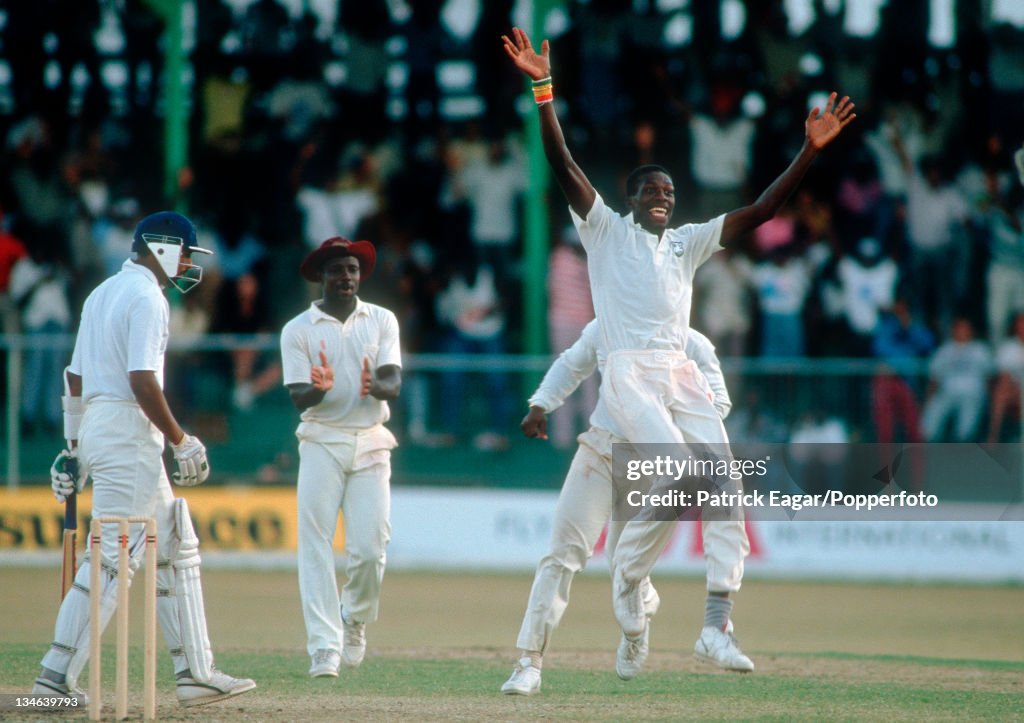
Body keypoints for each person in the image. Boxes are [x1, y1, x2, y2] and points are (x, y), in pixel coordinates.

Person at [503, 26, 854, 670]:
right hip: (627, 386)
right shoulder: (605, 232)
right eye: (650, 191)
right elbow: (563, 165)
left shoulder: (689, 243)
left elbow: (763, 211)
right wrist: (543, 89)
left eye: (668, 191)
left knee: (723, 484)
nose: (662, 197)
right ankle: (538, 653)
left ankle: (715, 624)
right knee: (663, 481)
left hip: (676, 375)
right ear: (629, 199)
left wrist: (810, 151)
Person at [38, 211, 256, 706]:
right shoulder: (147, 297)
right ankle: (53, 681)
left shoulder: (102, 293)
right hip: (128, 432)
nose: (186, 264)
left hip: (99, 425)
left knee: (175, 543)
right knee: (111, 561)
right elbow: (142, 380)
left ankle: (194, 673)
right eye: (182, 251)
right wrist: (181, 439)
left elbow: (74, 377)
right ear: (159, 246)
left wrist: (72, 451)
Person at [501, 321, 745, 695]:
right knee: (562, 555)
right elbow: (571, 364)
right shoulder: (605, 327)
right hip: (599, 448)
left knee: (624, 568)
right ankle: (528, 663)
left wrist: (677, 408)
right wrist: (541, 404)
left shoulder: (693, 345)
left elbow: (719, 405)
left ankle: (636, 626)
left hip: (653, 466)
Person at [280, 237, 402, 678]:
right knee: (315, 545)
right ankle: (323, 647)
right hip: (321, 439)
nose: (345, 277)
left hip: (370, 439)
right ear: (321, 277)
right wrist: (321, 389)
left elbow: (393, 382)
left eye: (351, 269)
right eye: (336, 270)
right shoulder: (298, 329)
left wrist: (375, 386)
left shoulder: (382, 320)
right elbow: (299, 397)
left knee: (370, 551)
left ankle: (354, 618)